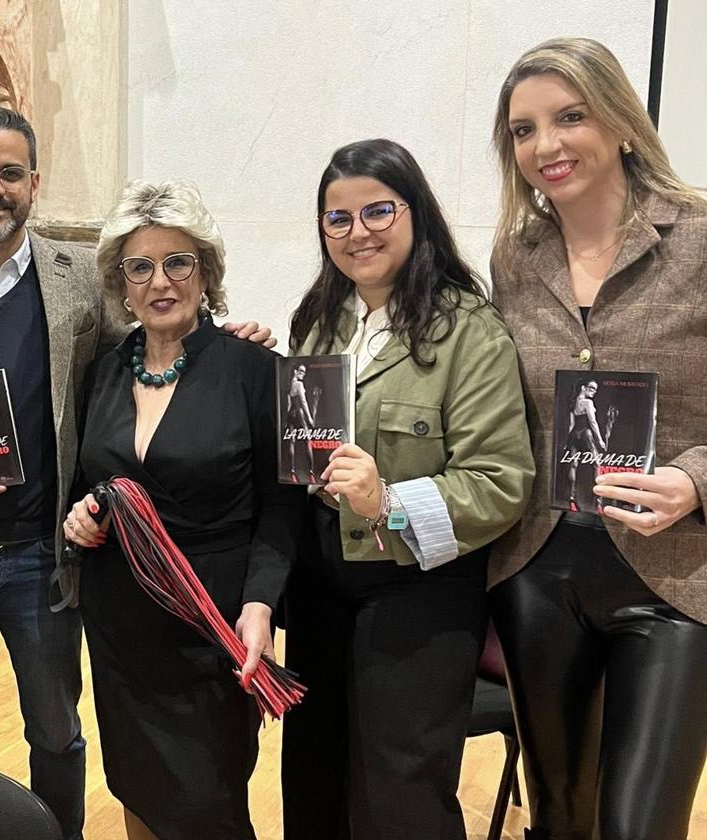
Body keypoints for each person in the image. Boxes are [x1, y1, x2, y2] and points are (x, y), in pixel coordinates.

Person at [0, 106, 271, 840]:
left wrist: (225, 338)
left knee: (58, 736)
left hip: (47, 557)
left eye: (10, 172)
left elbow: (148, 346)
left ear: (34, 183)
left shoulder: (79, 284)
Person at [280, 139, 534, 839]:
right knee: (313, 779)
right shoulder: (319, 321)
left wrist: (385, 499)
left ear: (415, 211)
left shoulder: (470, 334)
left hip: (419, 594)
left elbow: (501, 482)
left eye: (377, 211)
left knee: (402, 796)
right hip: (320, 589)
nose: (357, 232)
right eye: (338, 219)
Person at [488, 37, 707, 840]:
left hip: (676, 580)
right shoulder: (515, 258)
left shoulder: (701, 240)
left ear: (619, 121)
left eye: (568, 116)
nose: (545, 145)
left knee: (640, 826)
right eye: (522, 129)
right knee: (558, 819)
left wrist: (695, 479)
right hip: (538, 574)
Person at [61, 180, 303, 840]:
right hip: (120, 626)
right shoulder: (105, 371)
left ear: (206, 271)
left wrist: (261, 608)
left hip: (214, 626)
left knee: (209, 804)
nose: (159, 282)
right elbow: (98, 483)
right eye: (140, 266)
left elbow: (284, 510)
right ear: (122, 281)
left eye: (177, 262)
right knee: (136, 788)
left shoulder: (257, 371)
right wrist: (84, 520)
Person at [562, 379, 606, 511]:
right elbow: (593, 422)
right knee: (597, 464)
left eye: (595, 389)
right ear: (583, 387)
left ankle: (571, 499)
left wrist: (566, 442)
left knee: (573, 465)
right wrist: (600, 440)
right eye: (591, 388)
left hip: (575, 434)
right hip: (586, 433)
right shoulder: (588, 402)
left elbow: (571, 425)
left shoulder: (573, 403)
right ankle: (599, 502)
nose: (594, 392)